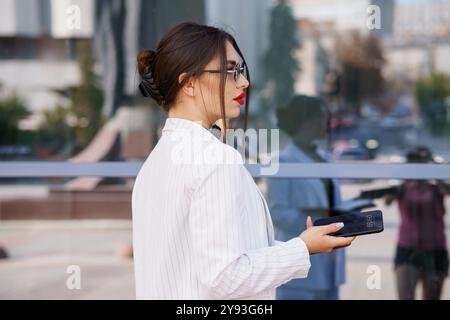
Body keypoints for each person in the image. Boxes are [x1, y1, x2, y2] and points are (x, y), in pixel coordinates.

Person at [131, 22, 355, 300]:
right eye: (230, 70)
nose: (244, 82)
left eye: (240, 70)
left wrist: (302, 244)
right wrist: (302, 248)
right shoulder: (213, 159)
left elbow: (212, 256)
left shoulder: (156, 162)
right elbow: (226, 276)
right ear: (189, 83)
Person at [268, 95, 347, 300]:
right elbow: (276, 211)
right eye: (320, 116)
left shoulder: (326, 158)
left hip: (331, 265)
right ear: (304, 122)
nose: (326, 122)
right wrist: (317, 221)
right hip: (301, 268)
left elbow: (331, 202)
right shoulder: (283, 162)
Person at [384, 146, 449, 300]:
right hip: (408, 248)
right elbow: (387, 200)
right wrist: (405, 177)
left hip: (435, 249)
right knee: (405, 296)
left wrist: (437, 172)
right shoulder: (404, 187)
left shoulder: (437, 188)